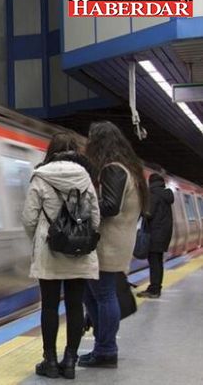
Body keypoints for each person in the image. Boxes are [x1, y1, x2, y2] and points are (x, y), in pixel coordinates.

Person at [22, 132, 100, 379]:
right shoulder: (85, 177)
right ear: (75, 151)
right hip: (78, 252)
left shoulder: (41, 176)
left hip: (49, 251)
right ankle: (70, 362)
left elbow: (29, 218)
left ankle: (51, 362)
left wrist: (40, 238)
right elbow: (96, 218)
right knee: (75, 305)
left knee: (50, 306)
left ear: (51, 151)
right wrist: (82, 236)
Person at [80, 122, 149, 368]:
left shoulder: (113, 169)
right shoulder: (130, 169)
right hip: (117, 242)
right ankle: (102, 346)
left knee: (103, 295)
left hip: (108, 244)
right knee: (92, 294)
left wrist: (82, 208)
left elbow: (109, 206)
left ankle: (107, 350)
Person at [137, 173, 174, 298]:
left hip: (154, 234)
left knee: (154, 263)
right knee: (158, 262)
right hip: (163, 234)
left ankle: (154, 290)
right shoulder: (166, 194)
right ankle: (156, 287)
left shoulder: (153, 194)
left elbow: (148, 213)